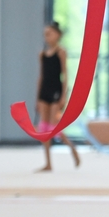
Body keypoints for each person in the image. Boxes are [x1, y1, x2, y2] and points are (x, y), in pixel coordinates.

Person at [35, 21, 80, 171]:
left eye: (49, 33)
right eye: (45, 34)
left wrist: (64, 96)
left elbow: (65, 75)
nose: (46, 37)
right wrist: (37, 97)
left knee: (54, 126)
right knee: (43, 128)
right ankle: (48, 162)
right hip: (44, 91)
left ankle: (71, 147)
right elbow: (41, 77)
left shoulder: (61, 52)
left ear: (58, 35)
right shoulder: (42, 54)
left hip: (56, 90)